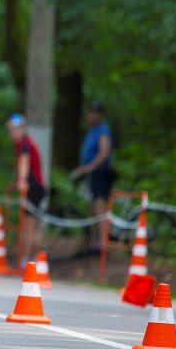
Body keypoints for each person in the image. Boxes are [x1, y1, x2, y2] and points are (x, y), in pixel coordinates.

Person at [72, 100, 114, 253]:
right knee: (93, 208)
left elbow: (104, 152)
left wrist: (89, 167)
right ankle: (96, 242)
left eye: (95, 113)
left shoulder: (103, 130)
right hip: (92, 174)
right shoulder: (92, 131)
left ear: (100, 115)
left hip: (100, 172)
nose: (92, 115)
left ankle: (103, 243)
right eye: (91, 112)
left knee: (99, 207)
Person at [7, 114, 46, 266]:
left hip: (33, 188)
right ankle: (35, 259)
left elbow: (24, 165)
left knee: (29, 225)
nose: (12, 133)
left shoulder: (24, 145)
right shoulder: (28, 142)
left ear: (21, 129)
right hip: (39, 187)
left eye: (14, 130)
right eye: (11, 130)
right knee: (35, 224)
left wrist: (21, 181)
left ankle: (27, 260)